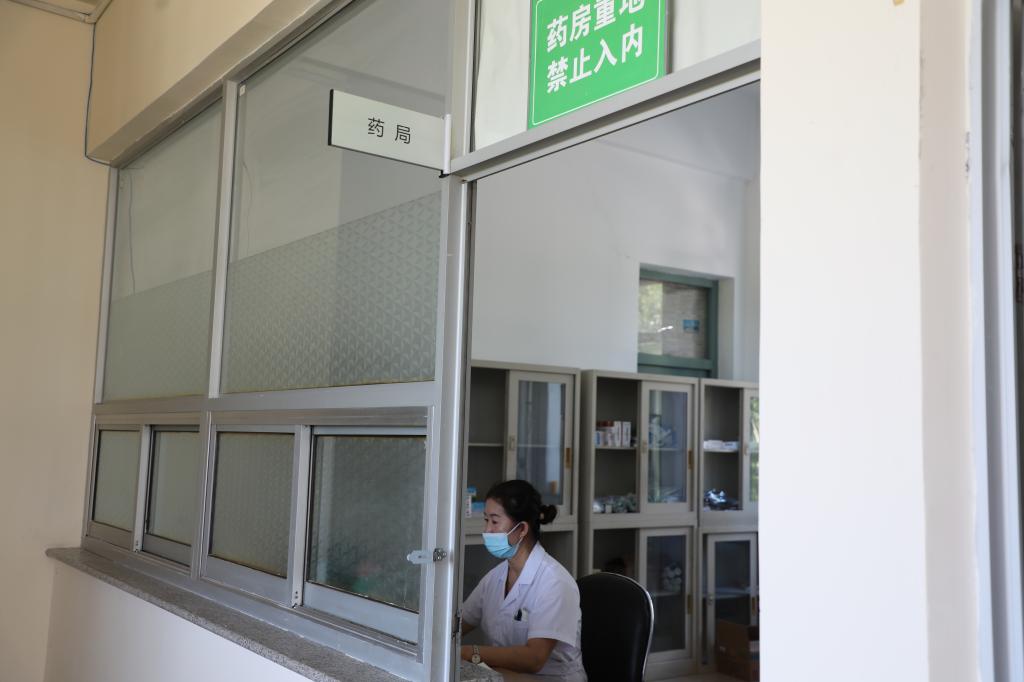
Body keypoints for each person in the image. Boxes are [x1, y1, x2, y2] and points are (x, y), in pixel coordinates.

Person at [461, 480, 587, 680]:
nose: (487, 530)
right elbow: (459, 623)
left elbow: (534, 658)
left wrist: (472, 652)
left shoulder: (555, 582)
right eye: (486, 520)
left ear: (522, 529)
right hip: (506, 675)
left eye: (494, 521)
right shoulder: (495, 577)